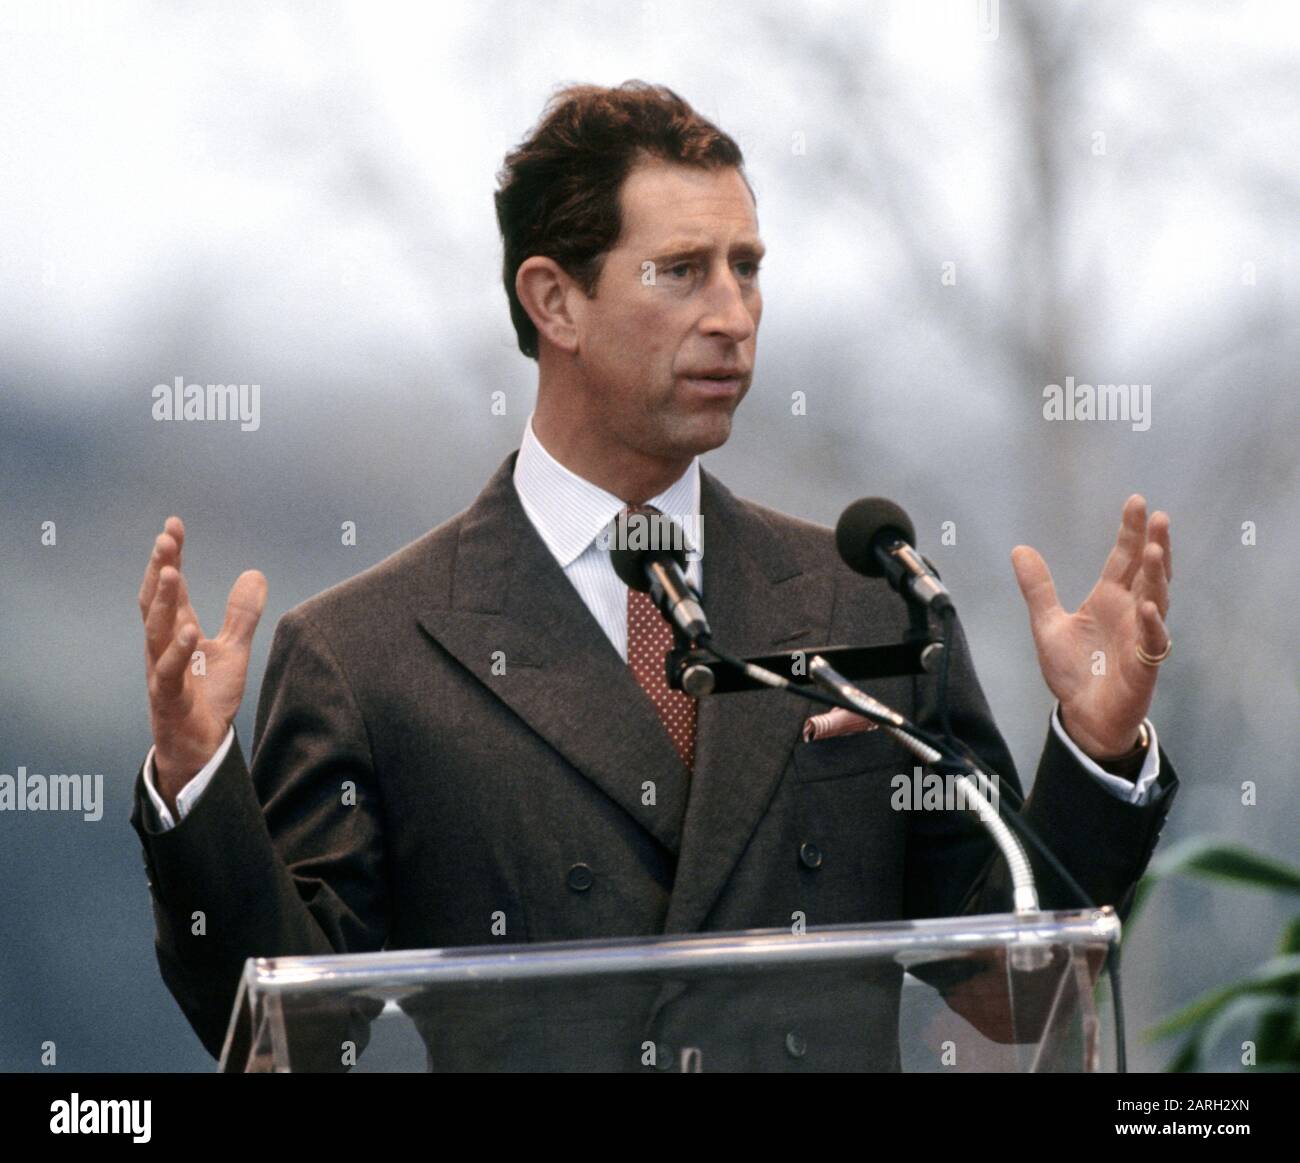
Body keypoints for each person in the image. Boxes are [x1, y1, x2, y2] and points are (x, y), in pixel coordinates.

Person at [132, 81, 1177, 1071]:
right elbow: (298, 1034)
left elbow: (1016, 990)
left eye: (748, 266)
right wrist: (195, 780)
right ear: (555, 300)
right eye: (682, 270)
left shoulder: (860, 596)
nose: (733, 312)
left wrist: (1094, 750)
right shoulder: (369, 654)